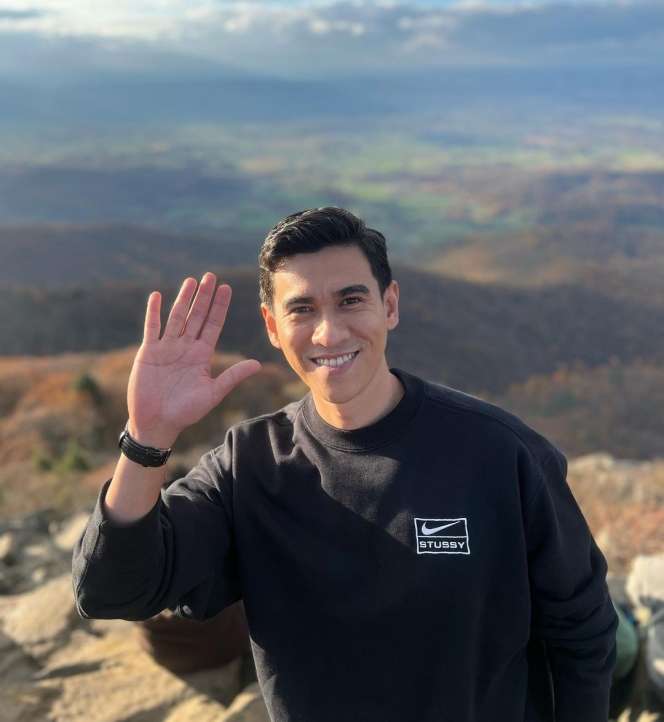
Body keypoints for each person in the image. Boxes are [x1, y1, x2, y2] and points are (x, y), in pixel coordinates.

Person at [72, 206, 618, 722]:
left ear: (391, 304)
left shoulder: (501, 452)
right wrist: (147, 438)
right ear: (271, 325)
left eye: (351, 300)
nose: (328, 332)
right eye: (302, 309)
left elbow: (582, 631)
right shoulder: (249, 466)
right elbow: (113, 590)